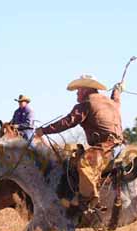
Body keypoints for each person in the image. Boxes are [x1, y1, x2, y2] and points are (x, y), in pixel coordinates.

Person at [35, 74, 124, 211]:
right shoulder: (111, 102)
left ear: (85, 89)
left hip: (106, 147)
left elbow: (68, 122)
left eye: (78, 89)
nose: (77, 92)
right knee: (72, 161)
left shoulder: (86, 104)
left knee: (84, 163)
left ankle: (89, 201)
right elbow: (116, 100)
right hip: (119, 145)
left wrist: (44, 130)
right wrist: (117, 91)